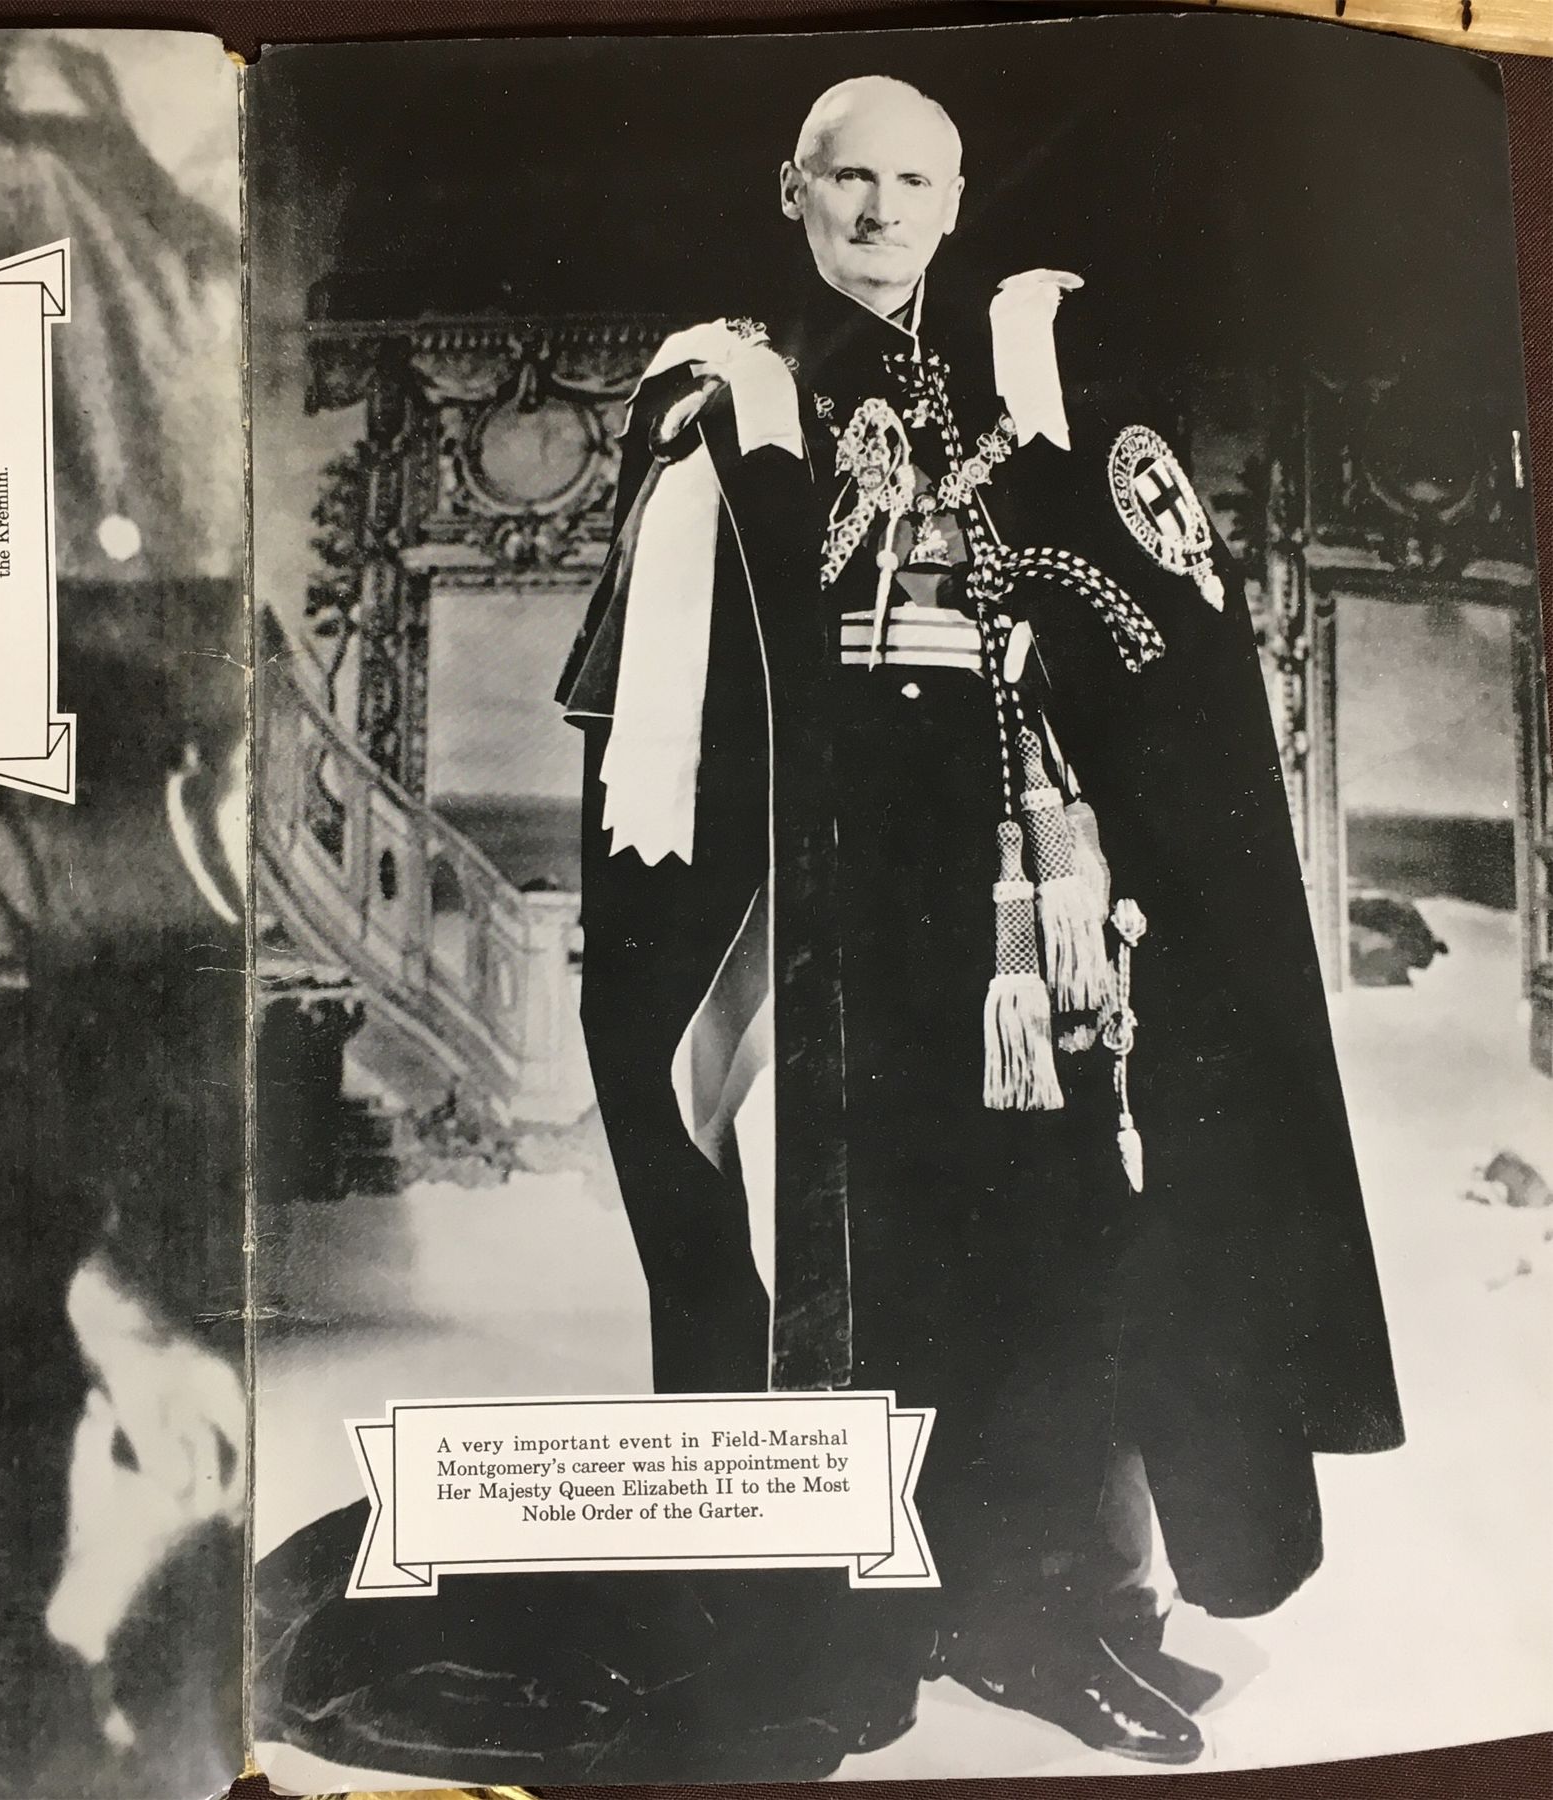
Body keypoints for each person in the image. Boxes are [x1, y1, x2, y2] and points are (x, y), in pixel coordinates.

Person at [558, 75, 1405, 1763]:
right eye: (847, 179)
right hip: (824, 893)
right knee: (859, 1252)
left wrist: (1050, 451)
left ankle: (1031, 1609)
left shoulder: (1025, 372)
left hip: (1025, 888)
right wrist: (771, 449)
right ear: (791, 190)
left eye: (913, 183)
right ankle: (839, 1621)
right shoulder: (723, 384)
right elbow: (693, 690)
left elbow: (1145, 634)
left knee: (1055, 1229)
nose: (879, 212)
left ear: (954, 201)